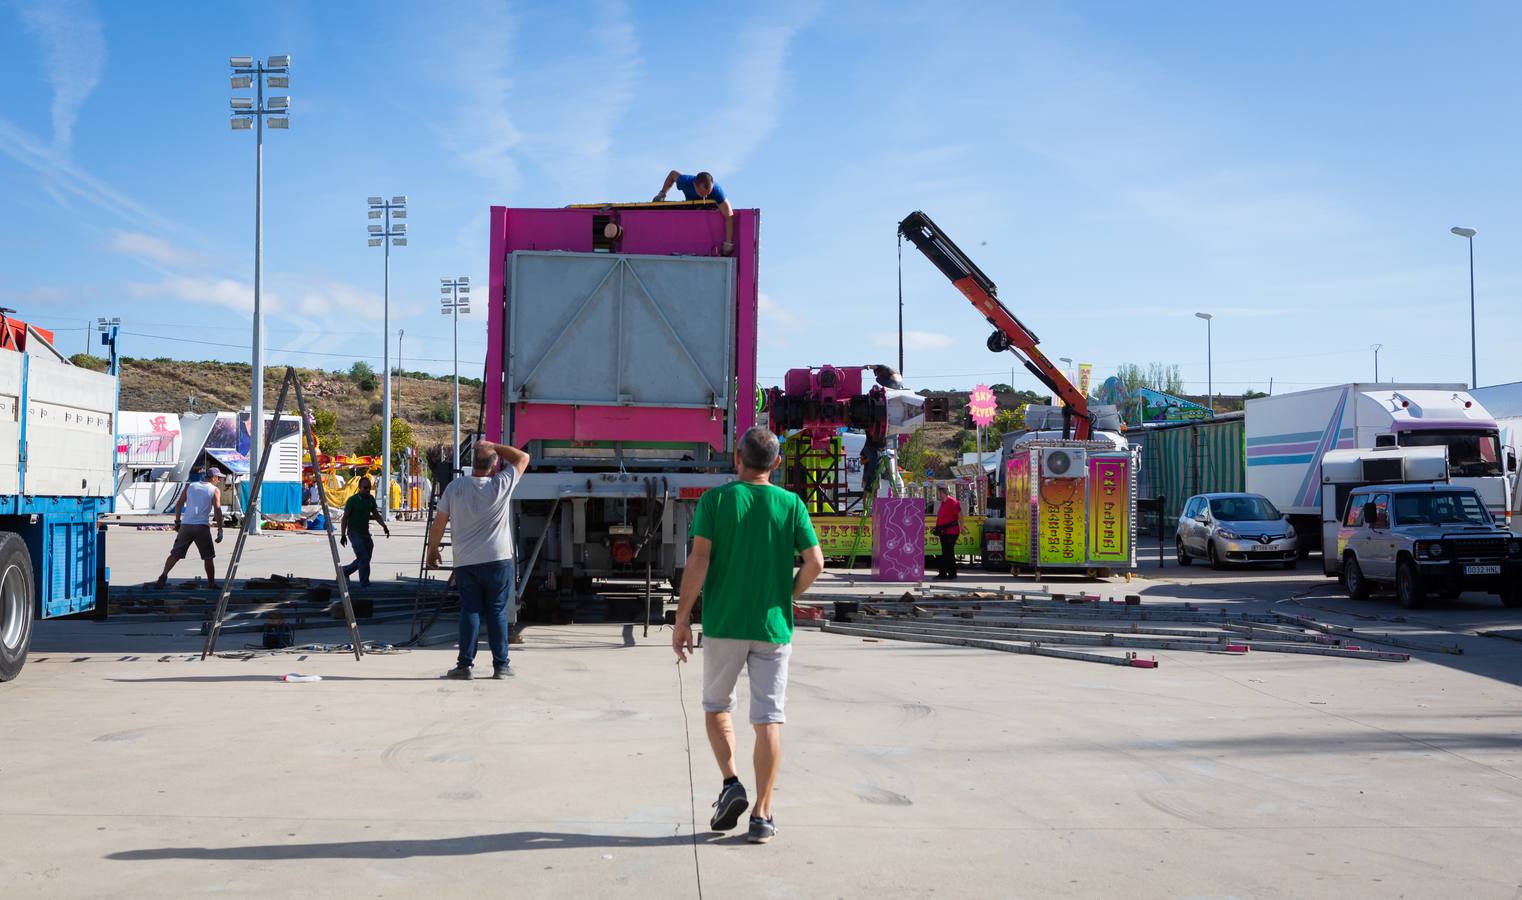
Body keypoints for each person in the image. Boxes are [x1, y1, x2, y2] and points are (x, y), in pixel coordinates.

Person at [673, 426, 826, 845]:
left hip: (724, 624)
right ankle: (763, 813)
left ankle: (730, 783)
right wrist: (787, 595)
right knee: (768, 719)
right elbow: (815, 562)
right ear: (776, 464)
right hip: (772, 628)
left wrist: (683, 618)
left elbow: (699, 560)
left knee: (717, 706)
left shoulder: (716, 501)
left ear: (737, 459)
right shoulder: (791, 504)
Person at [425, 439, 531, 680]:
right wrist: (494, 445)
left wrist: (433, 550)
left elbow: (439, 522)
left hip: (466, 561)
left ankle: (464, 665)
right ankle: (501, 666)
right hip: (497, 559)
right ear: (494, 467)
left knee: (470, 610)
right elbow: (523, 458)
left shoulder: (455, 487)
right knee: (496, 611)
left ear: (471, 464)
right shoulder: (501, 484)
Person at [154, 469, 225, 589]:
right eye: (218, 478)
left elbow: (179, 504)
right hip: (201, 527)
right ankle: (211, 583)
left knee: (175, 554)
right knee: (208, 557)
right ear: (213, 477)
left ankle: (163, 575)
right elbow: (217, 510)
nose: (219, 480)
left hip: (186, 525)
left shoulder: (190, 486)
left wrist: (177, 522)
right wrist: (220, 529)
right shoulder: (214, 490)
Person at [654, 169, 735, 255]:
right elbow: (672, 175)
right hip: (691, 207)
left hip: (709, 208)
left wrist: (728, 244)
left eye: (708, 194)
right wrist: (662, 194)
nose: (705, 196)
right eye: (701, 193)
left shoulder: (717, 191)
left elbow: (729, 216)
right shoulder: (686, 181)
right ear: (695, 185)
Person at [340, 476, 390, 588]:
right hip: (354, 532)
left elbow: (376, 514)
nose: (368, 490)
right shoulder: (352, 500)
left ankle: (345, 571)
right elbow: (345, 518)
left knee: (365, 558)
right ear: (359, 488)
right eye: (365, 488)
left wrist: (384, 526)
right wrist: (343, 535)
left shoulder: (371, 499)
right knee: (363, 558)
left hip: (365, 532)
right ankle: (364, 583)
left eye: (369, 488)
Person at [933, 485, 962, 580]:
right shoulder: (943, 503)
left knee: (947, 553)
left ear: (943, 493)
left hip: (951, 532)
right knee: (947, 553)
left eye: (939, 493)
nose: (938, 495)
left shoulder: (952, 502)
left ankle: (946, 574)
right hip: (944, 532)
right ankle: (949, 573)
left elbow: (960, 515)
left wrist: (961, 528)